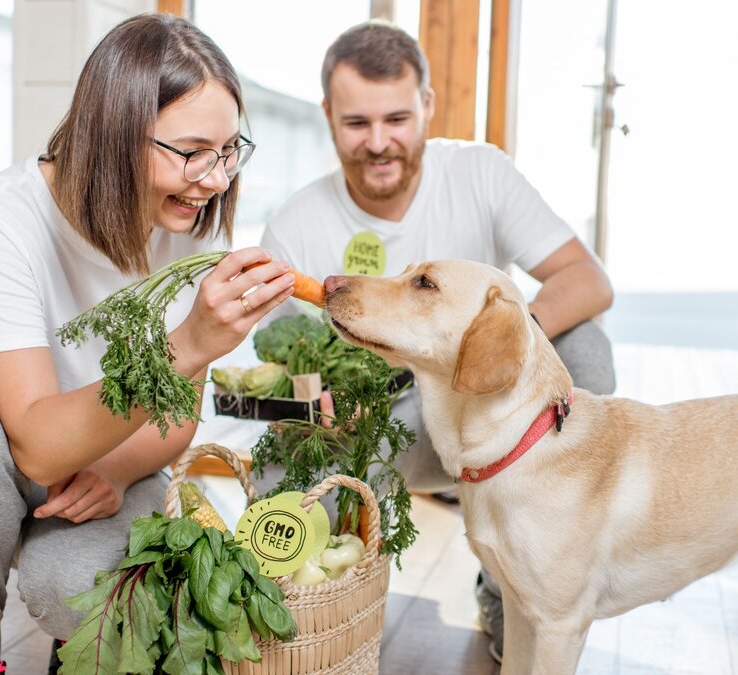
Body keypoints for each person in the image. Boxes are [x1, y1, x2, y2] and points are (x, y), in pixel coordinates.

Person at [0, 14, 297, 675]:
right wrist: (191, 340)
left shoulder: (192, 224)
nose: (217, 180)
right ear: (114, 132)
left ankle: (81, 648)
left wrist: (118, 469)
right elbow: (34, 440)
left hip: (100, 463)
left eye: (231, 150)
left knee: (81, 587)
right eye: (193, 151)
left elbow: (177, 418)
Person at [258, 20, 617, 662]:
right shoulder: (296, 225)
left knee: (584, 349)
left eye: (396, 117)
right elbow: (274, 373)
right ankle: (326, 621)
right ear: (328, 115)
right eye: (356, 123)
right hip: (373, 428)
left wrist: (494, 341)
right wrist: (312, 403)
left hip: (484, 415)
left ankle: (516, 588)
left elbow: (588, 280)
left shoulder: (478, 173)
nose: (378, 142)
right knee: (278, 459)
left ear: (427, 105)